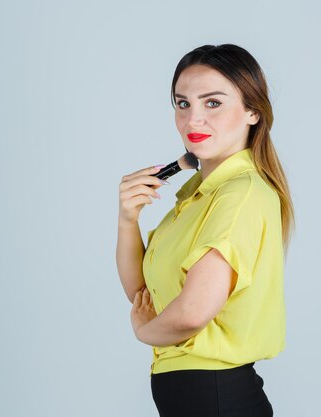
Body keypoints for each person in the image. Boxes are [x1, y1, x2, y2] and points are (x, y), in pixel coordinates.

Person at [116, 43, 295, 417]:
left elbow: (190, 313)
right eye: (183, 104)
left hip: (216, 396)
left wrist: (144, 333)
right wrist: (128, 220)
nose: (193, 119)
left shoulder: (241, 193)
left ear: (252, 111)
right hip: (194, 394)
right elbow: (143, 296)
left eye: (212, 103)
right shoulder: (198, 195)